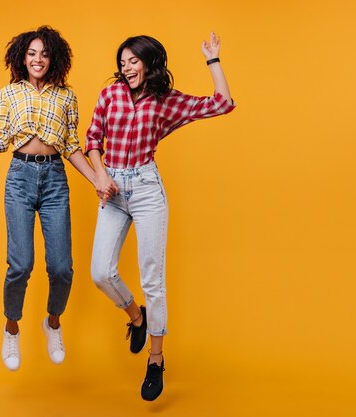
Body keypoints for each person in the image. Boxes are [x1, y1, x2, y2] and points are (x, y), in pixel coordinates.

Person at [0, 26, 115, 372]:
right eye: (32, 53)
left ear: (54, 59)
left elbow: (71, 146)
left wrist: (98, 180)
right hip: (19, 178)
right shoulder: (8, 95)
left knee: (62, 268)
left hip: (54, 181)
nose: (38, 59)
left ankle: (53, 323)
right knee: (20, 265)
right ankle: (12, 328)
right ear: (22, 57)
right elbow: (0, 140)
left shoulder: (66, 96)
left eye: (44, 54)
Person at [85, 32, 235, 400]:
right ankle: (137, 318)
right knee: (101, 271)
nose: (127, 68)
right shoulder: (110, 95)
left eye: (133, 61)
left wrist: (212, 60)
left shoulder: (165, 101)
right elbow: (92, 139)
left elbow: (222, 103)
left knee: (153, 278)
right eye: (122, 63)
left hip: (148, 188)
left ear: (149, 63)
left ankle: (155, 360)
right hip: (113, 189)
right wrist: (101, 175)